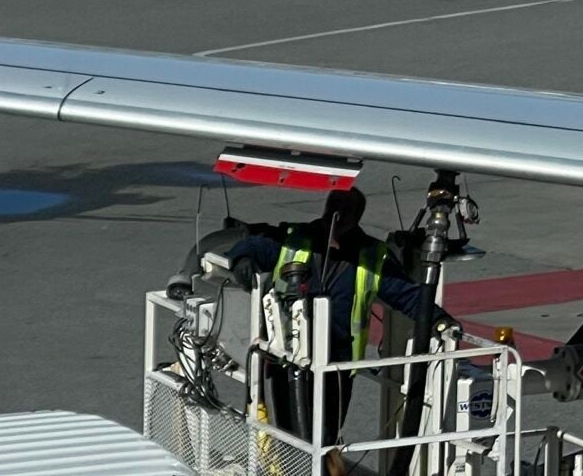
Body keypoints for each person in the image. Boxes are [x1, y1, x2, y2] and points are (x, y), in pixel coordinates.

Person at [182, 187, 454, 467]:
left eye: (346, 212)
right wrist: (242, 261)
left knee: (323, 436)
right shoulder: (294, 240)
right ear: (326, 208)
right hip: (284, 358)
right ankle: (294, 469)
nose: (338, 217)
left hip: (335, 366)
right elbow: (253, 245)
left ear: (357, 217)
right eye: (334, 208)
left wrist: (437, 319)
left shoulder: (372, 256)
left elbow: (406, 295)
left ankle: (318, 470)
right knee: (288, 433)